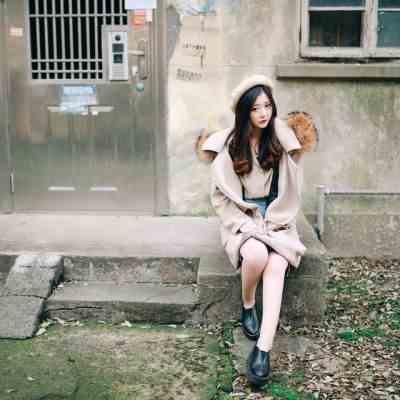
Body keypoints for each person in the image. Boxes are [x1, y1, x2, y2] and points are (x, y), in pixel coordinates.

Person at [198, 75, 317, 386]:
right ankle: (248, 303)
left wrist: (275, 219)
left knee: (276, 265)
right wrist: (245, 224)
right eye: (255, 108)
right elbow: (221, 199)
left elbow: (291, 191)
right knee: (255, 255)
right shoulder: (231, 146)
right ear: (244, 112)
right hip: (242, 216)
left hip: (277, 217)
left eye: (267, 106)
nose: (263, 113)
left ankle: (263, 350)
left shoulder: (279, 139)